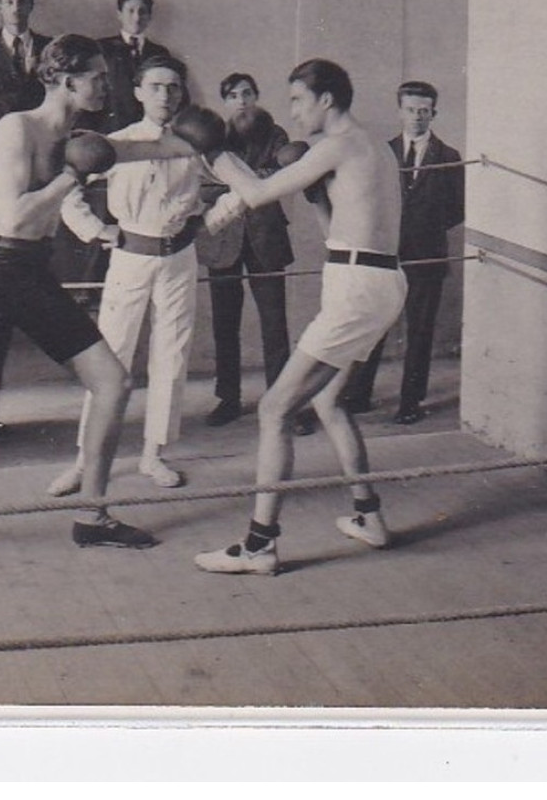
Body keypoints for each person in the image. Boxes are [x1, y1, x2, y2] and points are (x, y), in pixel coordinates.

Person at [0, 34, 201, 570]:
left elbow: (154, 148)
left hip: (32, 273)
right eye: (96, 75)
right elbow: (15, 217)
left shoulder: (82, 136)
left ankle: (93, 517)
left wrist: (211, 141)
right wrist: (73, 175)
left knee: (113, 382)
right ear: (65, 79)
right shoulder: (16, 129)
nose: (105, 83)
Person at [192, 58, 408, 575]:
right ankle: (368, 516)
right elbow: (339, 230)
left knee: (273, 410)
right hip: (376, 281)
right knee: (330, 401)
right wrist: (313, 194)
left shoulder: (336, 145)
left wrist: (214, 151)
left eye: (297, 99)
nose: (291, 110)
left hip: (356, 290)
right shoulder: (373, 146)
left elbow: (258, 193)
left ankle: (260, 545)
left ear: (325, 99)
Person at [47, 55, 241, 495]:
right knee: (109, 357)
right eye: (155, 86)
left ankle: (155, 454)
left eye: (173, 87)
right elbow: (67, 196)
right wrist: (98, 231)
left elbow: (240, 189)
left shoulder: (198, 147)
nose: (165, 95)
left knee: (171, 356)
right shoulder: (116, 143)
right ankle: (85, 459)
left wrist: (208, 222)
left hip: (179, 259)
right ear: (137, 92)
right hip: (129, 259)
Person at [340, 80, 465, 424]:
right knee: (373, 325)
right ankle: (359, 394)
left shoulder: (449, 157)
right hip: (385, 255)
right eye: (410, 110)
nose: (417, 118)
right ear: (399, 112)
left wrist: (425, 227)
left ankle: (411, 401)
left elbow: (458, 209)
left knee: (420, 332)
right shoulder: (384, 152)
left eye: (424, 111)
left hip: (427, 257)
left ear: (434, 114)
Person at [201, 72, 296, 428]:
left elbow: (280, 178)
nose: (241, 101)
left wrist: (243, 182)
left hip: (265, 238)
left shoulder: (276, 134)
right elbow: (205, 187)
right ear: (225, 102)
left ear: (256, 96)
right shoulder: (211, 137)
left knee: (275, 324)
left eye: (246, 94)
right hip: (224, 237)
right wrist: (251, 183)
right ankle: (228, 399)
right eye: (233, 96)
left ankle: (283, 402)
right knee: (225, 325)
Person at [91, 0, 169, 133]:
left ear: (150, 16)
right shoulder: (101, 48)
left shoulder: (159, 52)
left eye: (142, 12)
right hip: (110, 126)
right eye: (130, 11)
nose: (137, 18)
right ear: (119, 14)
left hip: (148, 128)